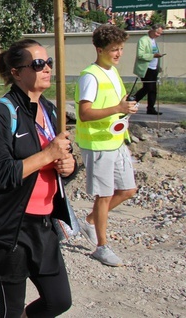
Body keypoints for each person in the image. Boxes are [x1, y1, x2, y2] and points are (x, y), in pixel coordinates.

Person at [0, 39, 75, 317]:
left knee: (58, 301)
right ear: (16, 72)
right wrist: (48, 155)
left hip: (44, 223)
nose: (46, 68)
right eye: (38, 64)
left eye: (49, 63)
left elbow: (60, 167)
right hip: (10, 225)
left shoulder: (49, 111)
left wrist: (69, 167)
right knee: (10, 310)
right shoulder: (2, 112)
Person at [75, 25, 138, 267]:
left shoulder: (112, 71)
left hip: (116, 140)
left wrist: (127, 107)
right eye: (114, 50)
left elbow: (117, 103)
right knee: (105, 195)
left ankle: (89, 221)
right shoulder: (90, 76)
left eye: (121, 49)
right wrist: (118, 109)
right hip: (98, 143)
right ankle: (102, 246)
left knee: (128, 190)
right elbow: (85, 112)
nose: (119, 54)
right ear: (99, 49)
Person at [133, 24, 164, 115]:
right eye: (157, 32)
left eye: (160, 33)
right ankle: (131, 101)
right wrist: (153, 55)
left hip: (154, 68)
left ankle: (151, 108)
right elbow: (140, 55)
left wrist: (158, 66)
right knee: (147, 87)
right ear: (152, 30)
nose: (158, 35)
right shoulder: (143, 40)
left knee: (153, 89)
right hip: (146, 68)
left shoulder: (154, 40)